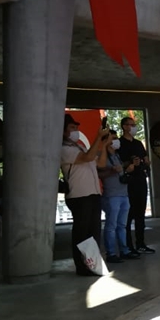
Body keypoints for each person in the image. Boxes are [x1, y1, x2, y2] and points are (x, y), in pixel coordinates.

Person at [61, 114, 109, 276]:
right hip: (79, 196)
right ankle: (81, 266)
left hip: (93, 194)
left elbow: (100, 163)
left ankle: (93, 264)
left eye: (76, 127)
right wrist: (97, 137)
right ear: (63, 131)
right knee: (82, 233)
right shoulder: (64, 149)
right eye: (72, 128)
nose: (76, 131)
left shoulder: (79, 147)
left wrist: (104, 144)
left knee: (93, 231)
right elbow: (88, 157)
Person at [98, 130, 139, 263]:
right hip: (111, 195)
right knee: (111, 225)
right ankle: (110, 253)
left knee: (122, 224)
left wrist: (126, 170)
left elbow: (120, 171)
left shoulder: (117, 156)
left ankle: (124, 250)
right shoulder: (101, 156)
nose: (117, 141)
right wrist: (112, 171)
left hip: (123, 193)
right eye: (113, 138)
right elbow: (99, 174)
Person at [118, 115, 155, 254]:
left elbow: (146, 160)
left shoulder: (138, 143)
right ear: (124, 127)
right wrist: (130, 163)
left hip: (140, 180)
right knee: (128, 215)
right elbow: (118, 163)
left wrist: (144, 163)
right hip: (128, 182)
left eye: (134, 125)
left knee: (140, 214)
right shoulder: (120, 143)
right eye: (130, 125)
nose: (133, 127)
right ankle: (128, 246)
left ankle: (141, 243)